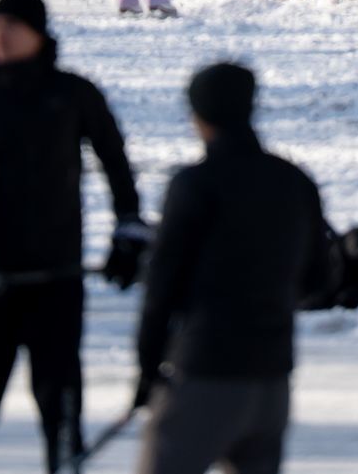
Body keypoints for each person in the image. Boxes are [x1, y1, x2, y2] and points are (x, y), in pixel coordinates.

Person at [0, 0, 148, 474]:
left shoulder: (72, 95)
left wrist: (128, 229)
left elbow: (116, 164)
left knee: (61, 414)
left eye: (11, 27)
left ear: (37, 35)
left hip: (56, 280)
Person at [134, 63, 331, 474]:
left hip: (206, 370)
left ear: (199, 116)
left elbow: (162, 285)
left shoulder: (194, 186)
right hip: (271, 377)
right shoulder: (293, 181)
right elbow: (322, 278)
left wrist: (148, 367)